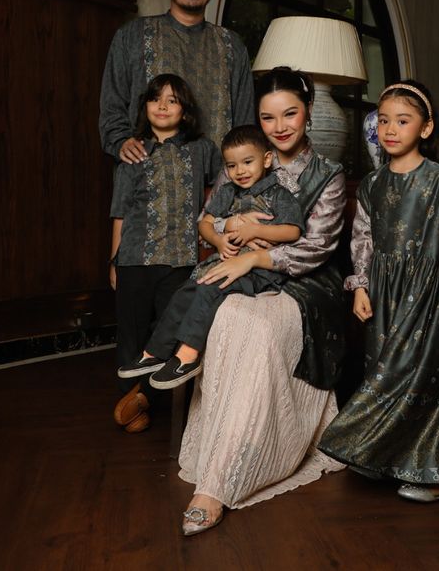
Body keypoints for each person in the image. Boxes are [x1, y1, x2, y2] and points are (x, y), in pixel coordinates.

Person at [113, 67, 347, 536]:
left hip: (305, 282)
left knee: (255, 328)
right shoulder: (240, 160)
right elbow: (210, 222)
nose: (279, 126)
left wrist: (254, 255)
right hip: (235, 269)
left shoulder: (329, 175)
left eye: (290, 114)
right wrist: (226, 241)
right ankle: (203, 427)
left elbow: (316, 247)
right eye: (268, 117)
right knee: (226, 314)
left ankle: (224, 480)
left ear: (308, 112)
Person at [318, 81, 439, 502]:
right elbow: (362, 240)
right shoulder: (371, 184)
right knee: (385, 372)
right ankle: (385, 455)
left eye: (402, 121)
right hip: (385, 297)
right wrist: (360, 287)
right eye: (383, 121)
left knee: (424, 376)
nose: (390, 129)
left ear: (426, 127)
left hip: (431, 299)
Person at [116, 123, 305, 388]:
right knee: (186, 291)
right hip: (224, 261)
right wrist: (218, 240)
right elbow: (205, 224)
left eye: (247, 162)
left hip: (259, 271)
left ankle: (187, 356)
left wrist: (255, 230)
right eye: (232, 165)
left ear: (266, 159)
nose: (240, 171)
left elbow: (293, 231)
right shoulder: (227, 192)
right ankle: (154, 354)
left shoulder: (278, 194)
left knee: (208, 290)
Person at [109, 73, 221, 403]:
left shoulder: (202, 149)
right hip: (134, 259)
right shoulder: (132, 153)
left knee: (170, 335)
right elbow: (120, 212)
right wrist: (114, 261)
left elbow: (221, 190)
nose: (162, 106)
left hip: (181, 259)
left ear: (184, 110)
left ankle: (160, 401)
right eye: (155, 99)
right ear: (145, 107)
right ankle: (131, 403)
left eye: (172, 100)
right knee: (131, 336)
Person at [99, 0, 254, 165]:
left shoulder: (232, 45)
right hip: (146, 177)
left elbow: (245, 122)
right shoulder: (132, 36)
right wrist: (121, 141)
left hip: (219, 179)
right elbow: (112, 106)